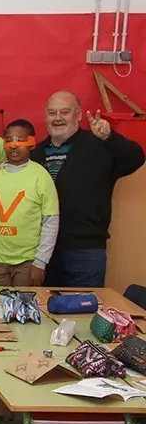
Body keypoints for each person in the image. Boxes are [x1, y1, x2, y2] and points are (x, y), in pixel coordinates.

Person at [33, 91, 145, 287]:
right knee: (46, 312)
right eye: (52, 113)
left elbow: (136, 158)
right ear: (46, 117)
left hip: (85, 251)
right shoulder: (36, 153)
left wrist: (109, 137)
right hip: (43, 252)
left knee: (84, 311)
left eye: (64, 112)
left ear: (78, 115)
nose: (57, 118)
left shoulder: (99, 145)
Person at [0, 120, 59, 286]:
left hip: (27, 262)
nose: (14, 145)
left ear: (32, 144)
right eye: (9, 140)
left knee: (24, 310)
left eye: (21, 140)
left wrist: (40, 262)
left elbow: (50, 222)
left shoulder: (41, 176)